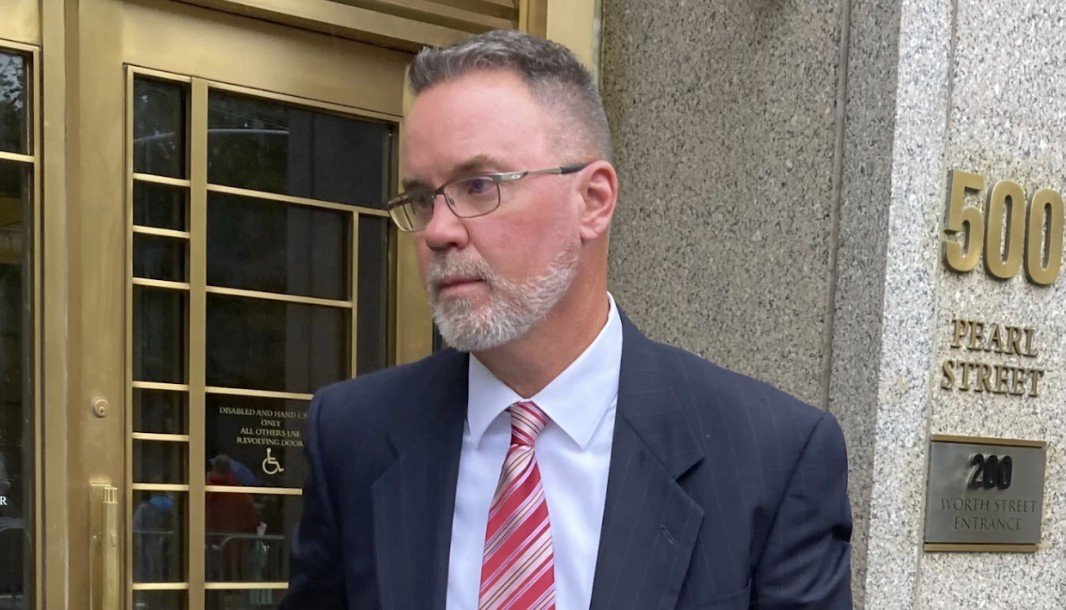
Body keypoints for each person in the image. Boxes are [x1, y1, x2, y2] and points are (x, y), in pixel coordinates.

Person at [282, 29, 852, 610]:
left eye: (478, 185)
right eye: (423, 199)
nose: (438, 231)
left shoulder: (773, 459)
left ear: (593, 200)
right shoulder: (354, 437)